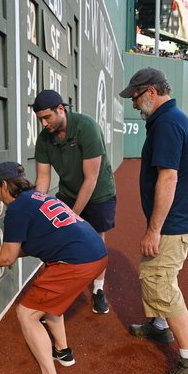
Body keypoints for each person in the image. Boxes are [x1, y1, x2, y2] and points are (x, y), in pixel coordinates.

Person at [0, 161, 108, 374]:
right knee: (48, 301)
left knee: (27, 313)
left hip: (76, 261)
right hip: (95, 253)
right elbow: (29, 244)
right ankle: (63, 352)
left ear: (5, 185)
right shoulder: (37, 198)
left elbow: (7, 258)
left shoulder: (17, 209)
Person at [118, 67, 188, 374]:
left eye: (135, 96)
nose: (133, 104)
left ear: (151, 92)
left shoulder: (168, 125)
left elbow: (168, 178)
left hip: (171, 225)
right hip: (176, 220)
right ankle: (160, 325)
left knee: (160, 282)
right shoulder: (169, 120)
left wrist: (154, 229)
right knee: (153, 272)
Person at [31, 89, 117, 314]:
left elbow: (91, 179)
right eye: (40, 118)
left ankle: (98, 289)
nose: (43, 123)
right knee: (58, 238)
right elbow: (42, 178)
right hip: (68, 192)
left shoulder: (86, 127)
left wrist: (74, 217)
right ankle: (61, 291)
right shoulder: (44, 138)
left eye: (47, 117)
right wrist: (36, 208)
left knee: (96, 239)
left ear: (61, 109)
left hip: (98, 193)